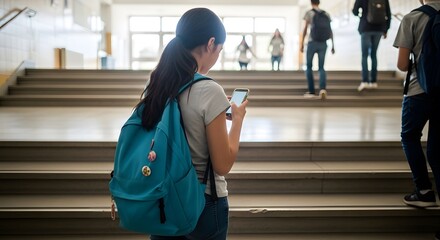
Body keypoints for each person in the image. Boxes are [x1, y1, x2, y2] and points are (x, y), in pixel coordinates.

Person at [138, 8, 248, 240]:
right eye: (219, 49)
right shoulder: (209, 89)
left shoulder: (156, 83)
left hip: (161, 198)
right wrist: (237, 121)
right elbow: (222, 165)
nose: (217, 55)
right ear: (210, 44)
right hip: (202, 203)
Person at [393, 0, 440, 210]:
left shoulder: (413, 17)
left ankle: (423, 190)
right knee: (437, 152)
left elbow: (402, 64)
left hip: (418, 91)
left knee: (410, 136)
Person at [353, 0, 391, 91]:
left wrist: (360, 14)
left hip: (365, 28)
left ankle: (365, 81)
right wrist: (386, 29)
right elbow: (389, 14)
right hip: (379, 29)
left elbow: (354, 11)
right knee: (373, 55)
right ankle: (373, 82)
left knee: (364, 55)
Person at [300, 0, 335, 100]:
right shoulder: (326, 14)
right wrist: (333, 45)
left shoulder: (309, 13)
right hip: (323, 43)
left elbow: (305, 29)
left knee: (309, 67)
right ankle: (322, 89)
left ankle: (311, 91)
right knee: (321, 67)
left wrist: (302, 43)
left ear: (311, 2)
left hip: (312, 42)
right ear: (319, 3)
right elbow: (330, 30)